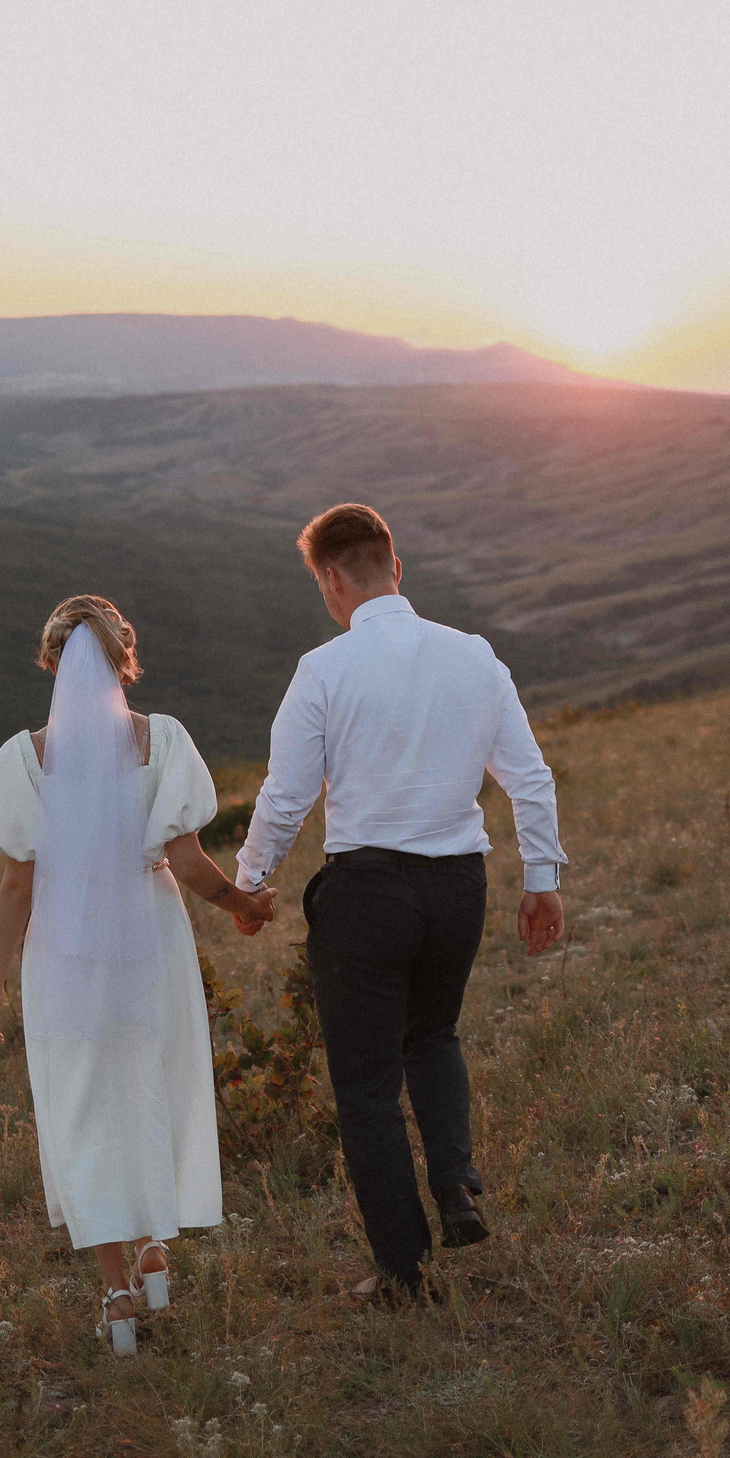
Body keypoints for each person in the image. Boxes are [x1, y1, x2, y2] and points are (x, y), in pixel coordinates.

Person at [235, 504, 567, 1303]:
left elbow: (286, 797)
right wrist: (542, 879)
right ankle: (453, 1184)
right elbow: (529, 775)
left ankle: (403, 1273)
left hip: (369, 893)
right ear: (397, 566)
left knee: (366, 1086)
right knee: (434, 1032)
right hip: (458, 887)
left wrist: (250, 882)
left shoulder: (323, 669)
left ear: (332, 579)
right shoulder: (475, 655)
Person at [0, 595, 275, 1356]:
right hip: (150, 939)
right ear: (123, 659)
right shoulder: (161, 741)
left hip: (63, 953)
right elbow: (186, 860)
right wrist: (243, 904)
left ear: (51, 662)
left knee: (81, 1103)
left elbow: (17, 886)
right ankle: (153, 1248)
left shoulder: (22, 760)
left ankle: (115, 1293)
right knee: (150, 1078)